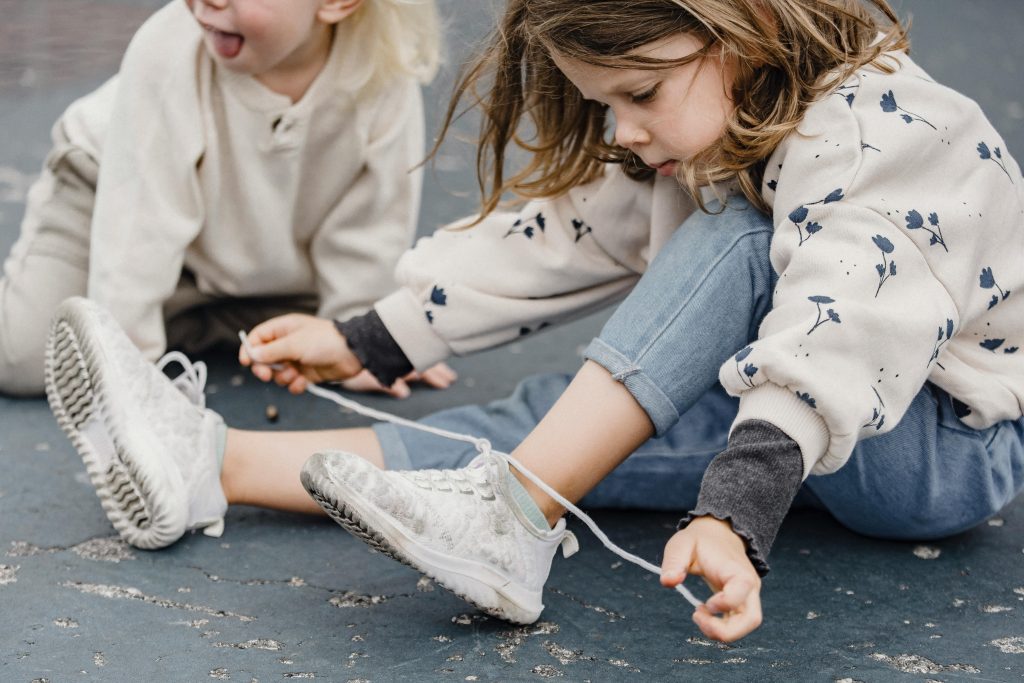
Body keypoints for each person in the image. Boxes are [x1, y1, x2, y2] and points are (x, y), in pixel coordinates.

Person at [46, 0, 1023, 644]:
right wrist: (369, 336)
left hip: (941, 442)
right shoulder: (723, 118)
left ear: (744, 24)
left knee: (732, 226)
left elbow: (843, 314)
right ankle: (206, 464)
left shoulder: (875, 128)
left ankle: (516, 513)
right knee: (568, 429)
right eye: (607, 104)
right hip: (809, 421)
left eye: (638, 94)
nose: (624, 129)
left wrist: (734, 507)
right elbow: (561, 234)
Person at [0, 0, 453, 399]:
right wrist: (130, 374)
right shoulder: (169, 51)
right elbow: (138, 230)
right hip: (104, 197)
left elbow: (373, 219)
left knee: (306, 334)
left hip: (259, 248)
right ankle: (182, 310)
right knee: (25, 356)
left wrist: (357, 340)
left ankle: (194, 309)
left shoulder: (381, 67)